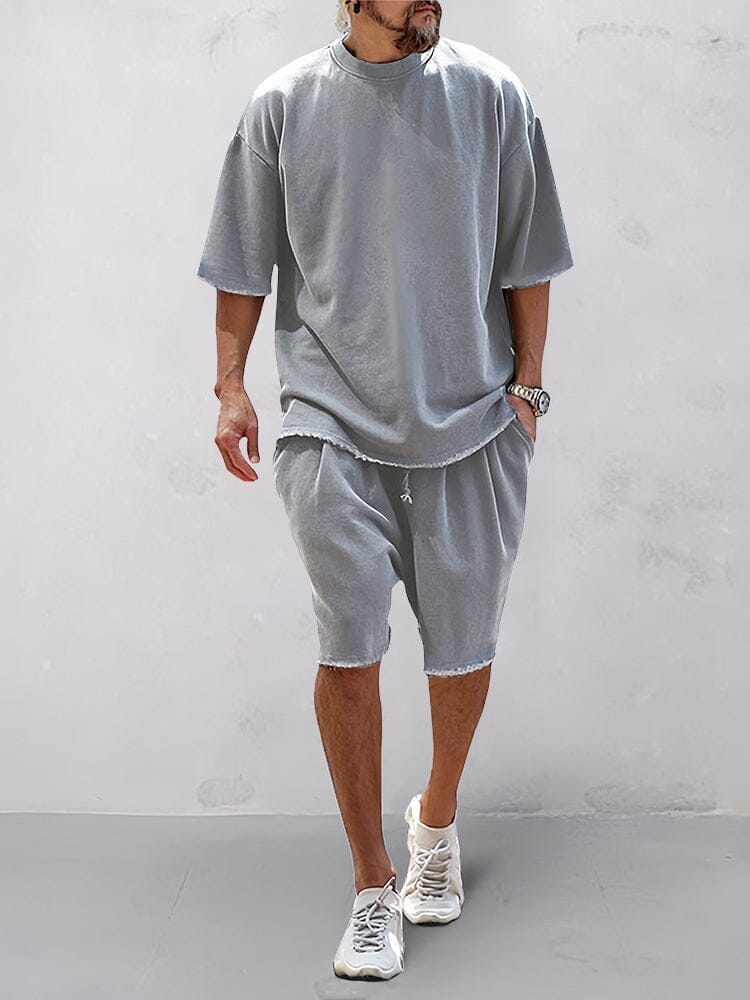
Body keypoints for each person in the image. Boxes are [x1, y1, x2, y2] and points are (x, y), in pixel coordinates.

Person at [197, 0, 573, 981]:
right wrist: (232, 387)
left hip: (474, 421)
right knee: (350, 643)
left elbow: (529, 254)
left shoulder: (494, 95)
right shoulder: (283, 104)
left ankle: (434, 820)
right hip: (329, 421)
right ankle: (372, 886)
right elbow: (241, 263)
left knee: (463, 649)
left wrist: (529, 393)